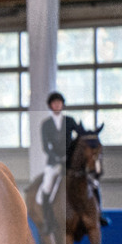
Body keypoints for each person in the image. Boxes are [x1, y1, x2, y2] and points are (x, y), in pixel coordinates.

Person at [37, 92, 108, 232]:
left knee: (93, 184)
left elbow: (81, 134)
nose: (57, 105)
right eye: (54, 103)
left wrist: (93, 134)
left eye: (59, 103)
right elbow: (46, 147)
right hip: (55, 162)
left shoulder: (69, 121)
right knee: (46, 187)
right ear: (50, 106)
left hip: (71, 163)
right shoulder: (46, 124)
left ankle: (100, 214)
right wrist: (57, 158)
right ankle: (48, 220)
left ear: (62, 105)